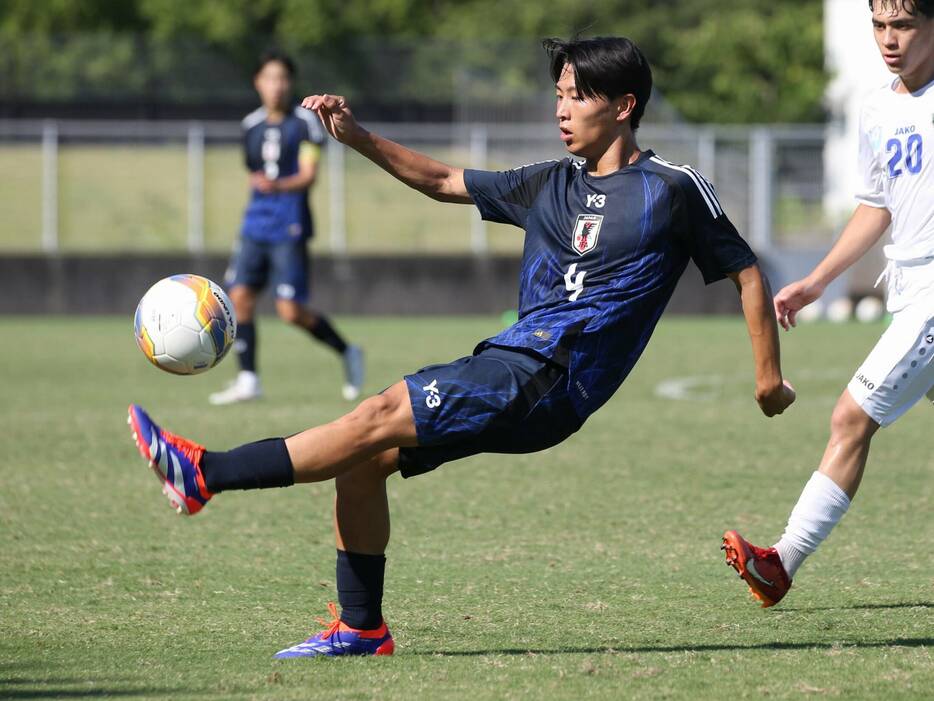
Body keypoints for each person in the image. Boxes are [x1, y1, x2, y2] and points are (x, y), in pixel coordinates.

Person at [128, 36, 795, 657]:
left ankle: (204, 474)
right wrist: (356, 137)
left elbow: (744, 269)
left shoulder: (671, 190)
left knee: (374, 414)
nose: (561, 109)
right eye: (558, 93)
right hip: (510, 361)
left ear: (624, 107)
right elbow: (447, 181)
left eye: (577, 96)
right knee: (364, 458)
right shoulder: (549, 183)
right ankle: (361, 626)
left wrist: (768, 378)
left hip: (549, 377)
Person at [723, 0, 934, 608]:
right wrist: (818, 280)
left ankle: (780, 564)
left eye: (903, 25)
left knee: (850, 417)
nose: (888, 39)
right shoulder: (877, 107)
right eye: (879, 25)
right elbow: (878, 206)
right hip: (909, 287)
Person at [210, 49, 364, 405]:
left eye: (282, 79)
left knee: (290, 311)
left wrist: (277, 186)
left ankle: (347, 351)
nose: (276, 86)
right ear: (257, 83)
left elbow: (310, 175)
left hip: (289, 224)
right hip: (254, 224)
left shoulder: (305, 122)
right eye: (269, 78)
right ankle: (248, 379)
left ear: (290, 83)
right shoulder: (250, 126)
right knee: (240, 298)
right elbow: (253, 172)